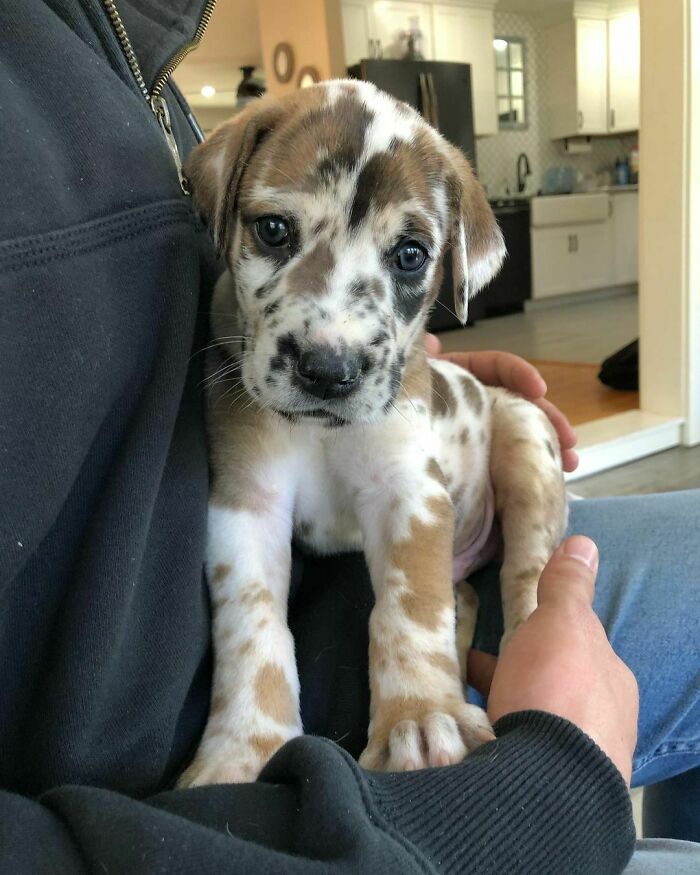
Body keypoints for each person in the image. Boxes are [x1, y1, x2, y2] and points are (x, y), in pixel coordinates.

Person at [1, 1, 698, 872]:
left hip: (424, 513)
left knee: (536, 457)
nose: (331, 341)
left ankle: (518, 612)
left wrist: (414, 358)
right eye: (276, 232)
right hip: (226, 685)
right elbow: (251, 504)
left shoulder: (117, 51)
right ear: (224, 208)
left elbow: (395, 474)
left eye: (409, 258)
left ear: (450, 265)